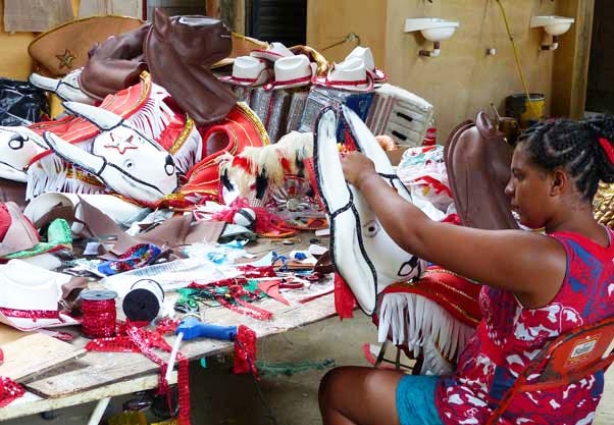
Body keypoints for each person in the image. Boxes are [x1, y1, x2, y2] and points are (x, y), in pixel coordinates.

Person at [318, 115, 614, 425]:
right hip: (566, 410)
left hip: (493, 411)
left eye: (520, 176)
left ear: (557, 182)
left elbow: (417, 234)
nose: (510, 189)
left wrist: (367, 176)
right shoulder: (604, 245)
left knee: (337, 389)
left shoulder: (542, 257)